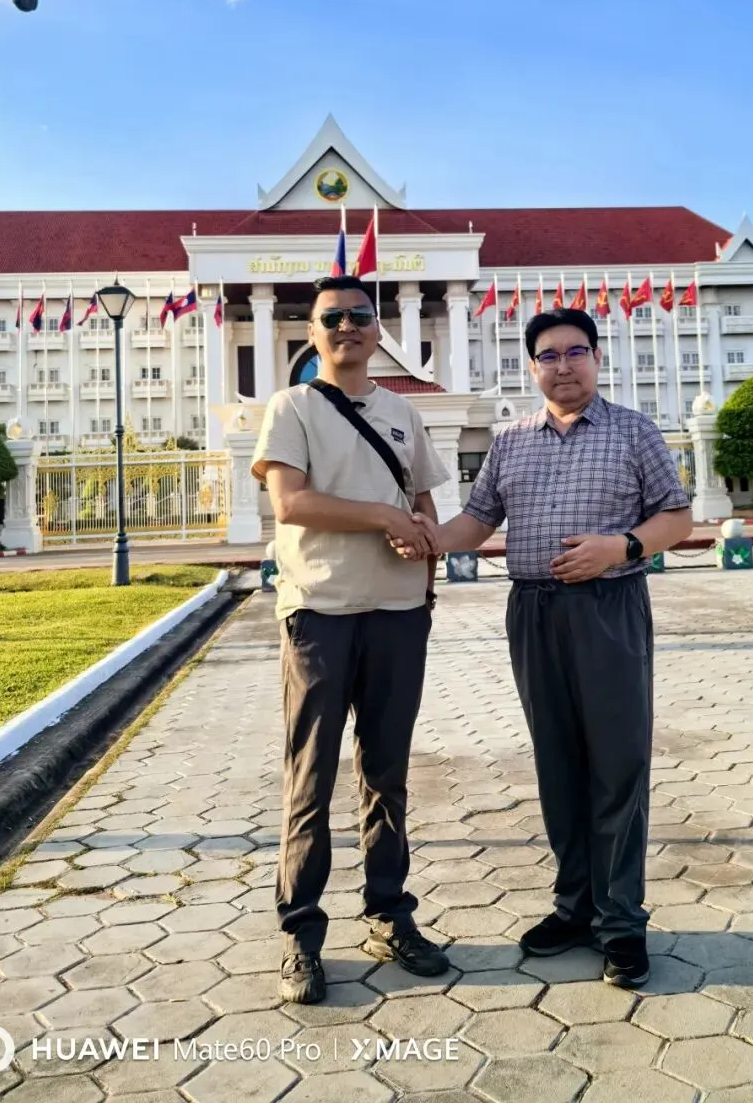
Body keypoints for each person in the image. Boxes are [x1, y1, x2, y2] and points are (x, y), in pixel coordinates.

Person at [417, 308, 693, 989]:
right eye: (549, 355)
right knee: (558, 761)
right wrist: (425, 538)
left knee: (617, 762)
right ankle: (574, 907)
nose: (563, 365)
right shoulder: (511, 441)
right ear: (531, 366)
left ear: (596, 358)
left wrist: (620, 547)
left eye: (575, 352)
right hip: (533, 612)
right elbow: (478, 519)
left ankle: (621, 921)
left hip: (609, 609)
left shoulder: (633, 431)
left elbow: (677, 516)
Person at [250, 275, 451, 1005]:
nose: (347, 327)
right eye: (331, 317)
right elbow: (291, 502)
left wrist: (421, 537)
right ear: (312, 332)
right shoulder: (292, 407)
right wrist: (382, 517)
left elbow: (423, 502)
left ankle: (389, 914)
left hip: (398, 612)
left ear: (377, 329)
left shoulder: (403, 412)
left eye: (360, 316)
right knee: (310, 777)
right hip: (321, 613)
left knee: (386, 775)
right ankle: (300, 934)